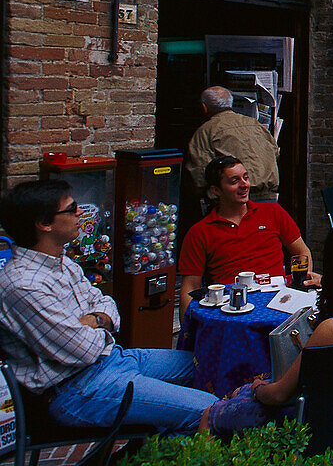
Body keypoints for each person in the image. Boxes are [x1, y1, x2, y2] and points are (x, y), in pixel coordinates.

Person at [0, 180, 218, 431]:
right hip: (77, 388)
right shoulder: (22, 285)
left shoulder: (60, 260)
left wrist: (93, 320)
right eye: (72, 209)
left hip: (115, 359)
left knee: (216, 364)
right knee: (210, 410)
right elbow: (83, 349)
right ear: (45, 223)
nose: (80, 213)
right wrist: (99, 322)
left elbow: (108, 306)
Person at [203, 223, 333, 434]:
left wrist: (256, 388)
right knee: (242, 392)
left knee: (210, 415)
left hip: (316, 425)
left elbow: (279, 395)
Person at [178, 156, 319, 318]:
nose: (244, 185)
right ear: (216, 190)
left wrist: (303, 282)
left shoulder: (273, 212)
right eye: (234, 181)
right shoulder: (200, 231)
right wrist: (186, 333)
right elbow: (190, 286)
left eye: (246, 178)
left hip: (280, 300)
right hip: (231, 309)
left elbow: (302, 251)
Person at [185, 86, 280, 202]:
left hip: (232, 200)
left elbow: (200, 171)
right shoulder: (255, 124)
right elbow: (275, 152)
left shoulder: (206, 131)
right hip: (267, 196)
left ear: (204, 107)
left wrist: (209, 195)